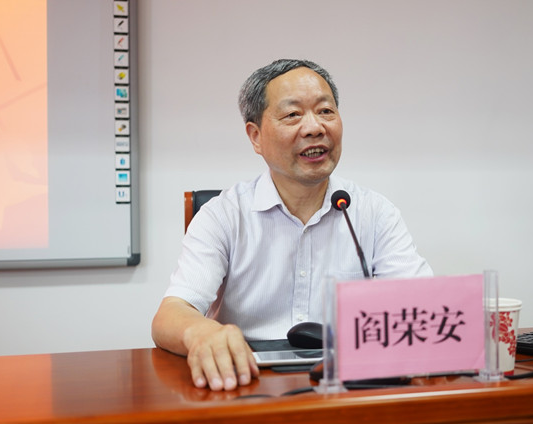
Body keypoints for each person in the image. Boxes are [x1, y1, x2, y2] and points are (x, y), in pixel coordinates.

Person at [151, 59, 433, 391]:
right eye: (292, 115)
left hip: (348, 386)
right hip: (248, 384)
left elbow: (423, 308)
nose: (315, 128)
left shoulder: (374, 212)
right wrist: (202, 332)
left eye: (325, 111)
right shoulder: (223, 215)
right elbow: (171, 313)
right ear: (256, 136)